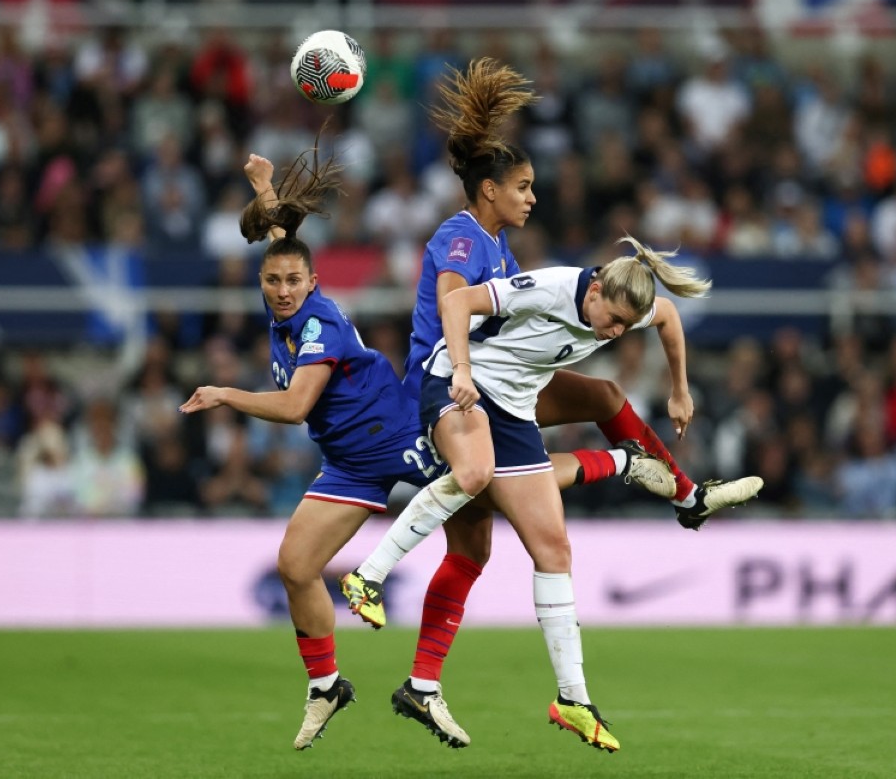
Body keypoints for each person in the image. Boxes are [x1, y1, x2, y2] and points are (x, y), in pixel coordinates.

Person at [178, 145, 672, 751]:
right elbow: (284, 244)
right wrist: (265, 190)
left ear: (313, 282)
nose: (282, 289)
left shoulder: (319, 324)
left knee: (499, 492)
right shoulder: (289, 295)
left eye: (290, 281)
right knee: (297, 565)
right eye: (273, 281)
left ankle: (623, 462)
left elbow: (294, 407)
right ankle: (330, 686)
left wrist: (224, 393)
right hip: (349, 459)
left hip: (398, 437)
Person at [340, 58, 761, 745]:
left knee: (517, 532)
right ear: (488, 189)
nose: (533, 197)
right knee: (484, 482)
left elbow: (666, 320)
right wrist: (463, 374)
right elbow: (455, 299)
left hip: (507, 389)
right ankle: (372, 575)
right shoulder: (468, 240)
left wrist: (681, 388)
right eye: (523, 186)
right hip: (452, 382)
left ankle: (502, 689)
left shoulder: (512, 251)